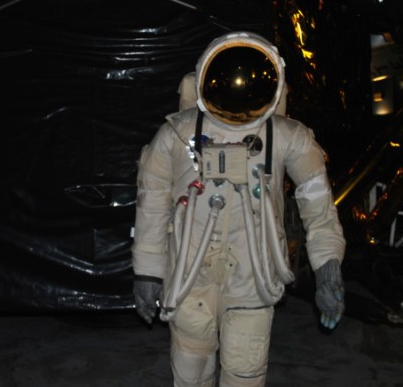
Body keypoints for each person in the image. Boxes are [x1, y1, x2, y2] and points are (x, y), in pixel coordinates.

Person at [132, 31, 346, 387]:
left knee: (246, 368)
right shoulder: (177, 135)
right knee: (190, 364)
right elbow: (152, 204)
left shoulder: (287, 137)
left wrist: (328, 267)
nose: (239, 93)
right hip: (189, 273)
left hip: (254, 271)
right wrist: (147, 273)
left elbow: (318, 204)